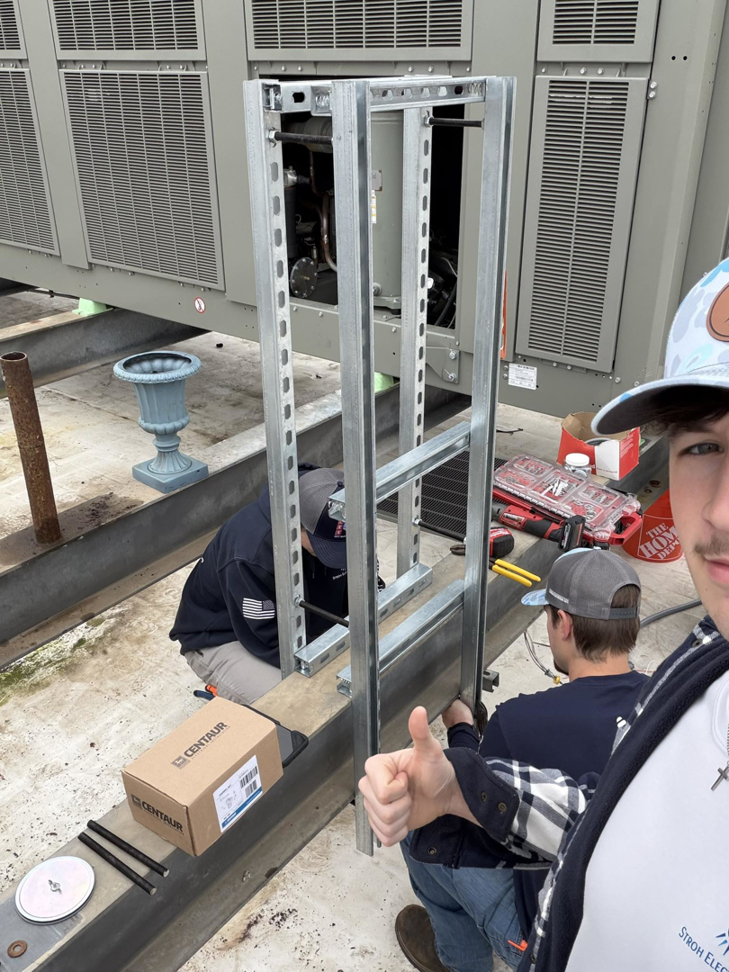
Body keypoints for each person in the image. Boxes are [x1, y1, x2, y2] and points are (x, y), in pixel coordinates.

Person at [359, 257, 729, 971]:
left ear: (559, 625)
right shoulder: (693, 673)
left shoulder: (531, 719)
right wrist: (463, 787)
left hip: (520, 920)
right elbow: (612, 819)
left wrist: (469, 744)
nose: (718, 512)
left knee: (428, 861)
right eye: (703, 446)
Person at [396, 549, 647, 972]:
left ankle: (462, 961)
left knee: (418, 826)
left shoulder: (519, 721)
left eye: (549, 616)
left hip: (549, 945)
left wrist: (460, 730)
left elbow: (475, 809)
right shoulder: (662, 705)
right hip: (625, 938)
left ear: (563, 624)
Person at [170, 465, 349, 704]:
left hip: (296, 624)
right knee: (301, 704)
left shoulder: (333, 504)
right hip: (225, 636)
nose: (335, 556)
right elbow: (268, 640)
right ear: (296, 526)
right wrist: (327, 669)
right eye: (323, 548)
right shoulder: (249, 554)